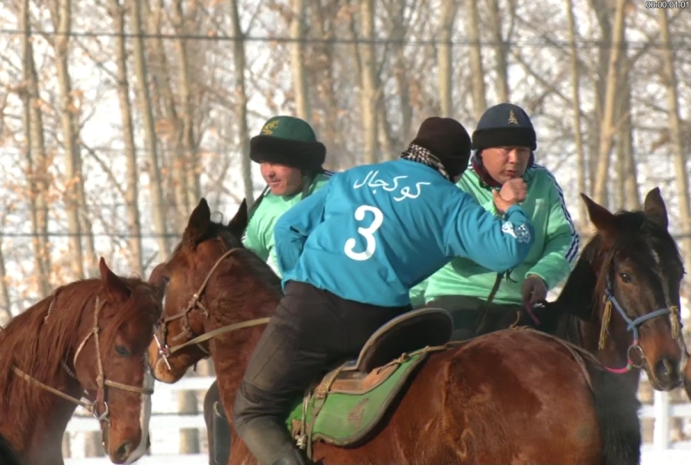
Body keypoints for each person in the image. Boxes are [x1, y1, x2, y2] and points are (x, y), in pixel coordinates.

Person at [232, 116, 536, 464]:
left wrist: (295, 284)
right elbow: (509, 249)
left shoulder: (352, 178)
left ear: (413, 149)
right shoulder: (452, 202)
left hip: (310, 312)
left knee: (253, 409)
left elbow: (287, 228)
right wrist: (512, 209)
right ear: (454, 168)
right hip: (378, 322)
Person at [413, 103, 580, 340]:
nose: (515, 159)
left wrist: (542, 276)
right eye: (506, 149)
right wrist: (499, 205)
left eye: (523, 150)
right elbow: (448, 236)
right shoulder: (455, 181)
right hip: (458, 298)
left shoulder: (542, 182)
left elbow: (564, 238)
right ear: (481, 150)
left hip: (520, 305)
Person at [242, 115, 333, 274]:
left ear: (303, 163)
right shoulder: (265, 210)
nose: (268, 173)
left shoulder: (338, 193)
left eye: (277, 162)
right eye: (263, 163)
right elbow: (244, 271)